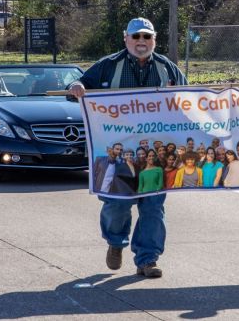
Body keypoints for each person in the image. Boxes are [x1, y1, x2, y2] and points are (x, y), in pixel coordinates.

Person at [67, 17, 187, 279]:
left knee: (153, 208)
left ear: (154, 39)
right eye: (136, 36)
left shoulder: (168, 68)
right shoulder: (108, 66)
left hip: (156, 155)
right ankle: (115, 241)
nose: (141, 41)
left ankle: (147, 259)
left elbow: (189, 100)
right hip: (118, 154)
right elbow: (76, 87)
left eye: (147, 36)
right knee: (117, 206)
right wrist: (77, 87)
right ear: (126, 39)